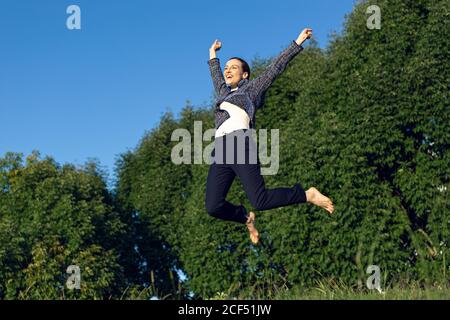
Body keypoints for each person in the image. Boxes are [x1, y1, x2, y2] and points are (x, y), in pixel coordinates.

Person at [205, 28, 334, 245]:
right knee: (213, 206)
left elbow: (275, 68)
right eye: (227, 68)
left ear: (244, 74)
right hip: (220, 151)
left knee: (261, 200)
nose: (228, 71)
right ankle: (246, 218)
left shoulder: (252, 91)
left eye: (233, 67)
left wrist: (298, 42)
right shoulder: (223, 94)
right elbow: (216, 77)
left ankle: (307, 195)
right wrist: (212, 55)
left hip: (240, 144)